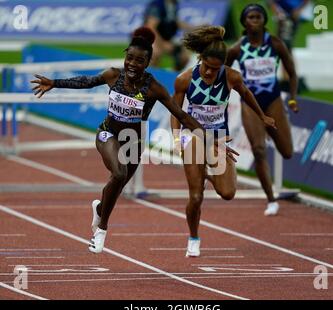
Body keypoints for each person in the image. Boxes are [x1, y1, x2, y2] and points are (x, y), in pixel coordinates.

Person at [31, 27, 222, 254]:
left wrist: (209, 140)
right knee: (119, 174)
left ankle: (100, 208)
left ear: (147, 63)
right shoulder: (113, 75)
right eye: (129, 58)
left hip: (133, 143)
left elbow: (181, 115)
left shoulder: (154, 89)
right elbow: (86, 81)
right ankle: (101, 231)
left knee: (117, 186)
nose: (132, 64)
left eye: (139, 61)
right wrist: (55, 83)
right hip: (107, 134)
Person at [171, 25, 276, 257]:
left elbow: (247, 94)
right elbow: (175, 111)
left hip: (219, 138)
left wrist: (262, 116)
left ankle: (205, 173)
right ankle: (193, 237)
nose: (210, 73)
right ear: (200, 59)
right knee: (196, 196)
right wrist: (177, 138)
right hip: (195, 136)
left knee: (228, 193)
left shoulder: (231, 77)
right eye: (207, 67)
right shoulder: (184, 79)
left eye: (215, 69)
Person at [226, 4, 299, 216]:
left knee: (286, 152)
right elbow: (224, 74)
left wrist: (293, 98)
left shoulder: (275, 44)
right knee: (258, 150)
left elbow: (292, 74)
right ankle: (271, 199)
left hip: (273, 100)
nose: (255, 20)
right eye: (251, 17)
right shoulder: (237, 49)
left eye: (259, 16)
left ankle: (268, 134)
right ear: (244, 22)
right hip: (251, 103)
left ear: (264, 20)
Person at [143, 0, 194, 71]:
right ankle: (151, 78)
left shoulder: (174, 5)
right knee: (155, 53)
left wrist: (195, 28)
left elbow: (175, 22)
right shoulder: (157, 5)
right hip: (153, 38)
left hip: (168, 39)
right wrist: (162, 44)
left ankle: (172, 78)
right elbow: (151, 27)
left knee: (184, 57)